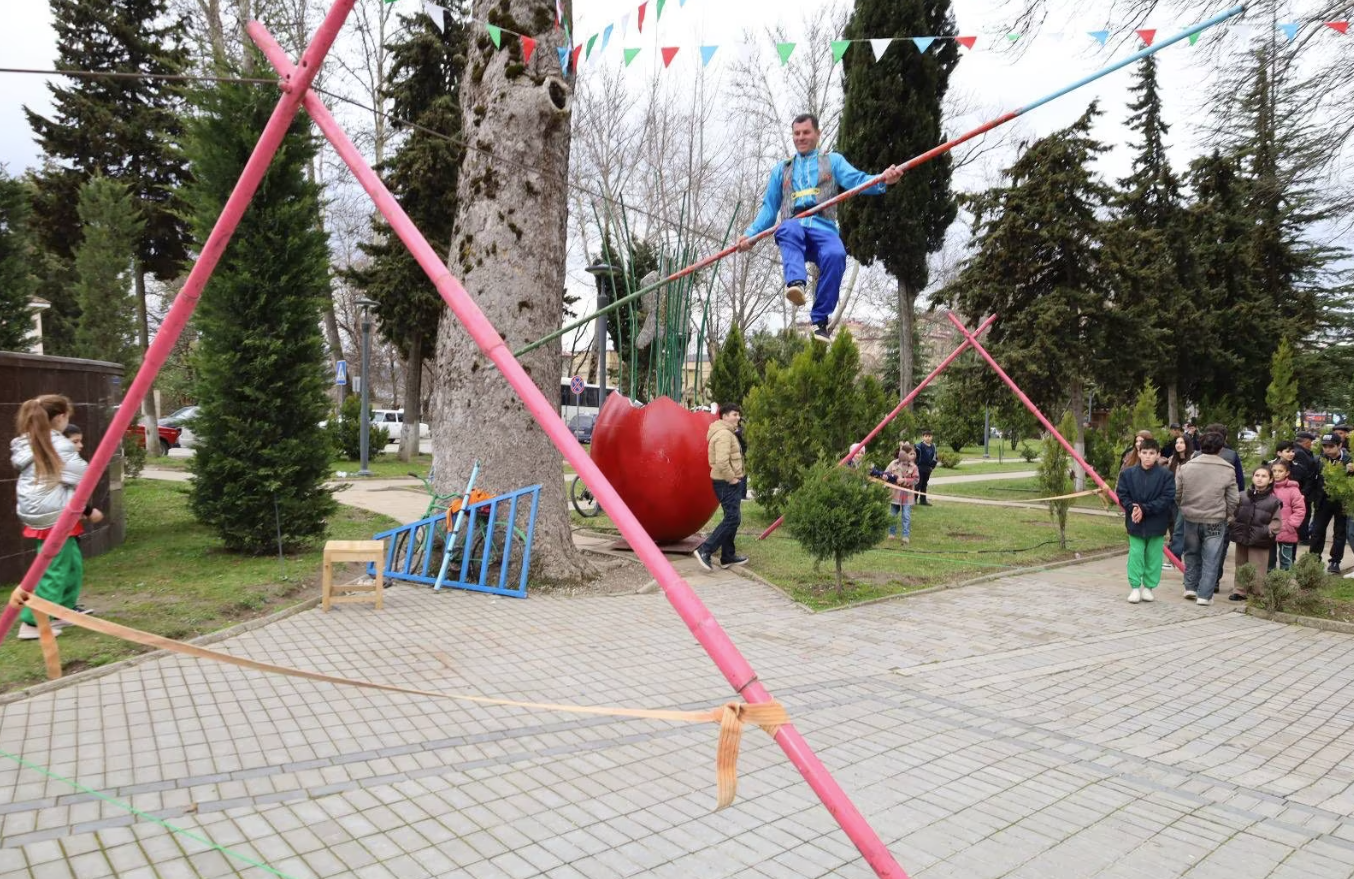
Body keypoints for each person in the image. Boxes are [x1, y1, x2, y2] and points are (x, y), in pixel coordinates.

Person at [736, 113, 905, 344]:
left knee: (836, 255)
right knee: (787, 230)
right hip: (794, 226)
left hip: (824, 228)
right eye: (797, 133)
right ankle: (796, 283)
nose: (801, 137)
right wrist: (750, 235)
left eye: (806, 132)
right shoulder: (781, 170)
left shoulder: (832, 162)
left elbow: (858, 181)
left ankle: (820, 320)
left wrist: (883, 180)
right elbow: (768, 210)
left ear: (817, 133)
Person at [11, 395, 102, 640]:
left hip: (43, 509)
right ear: (60, 417)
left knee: (71, 561)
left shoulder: (32, 441)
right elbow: (83, 476)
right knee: (55, 568)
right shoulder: (57, 444)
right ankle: (32, 622)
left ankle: (60, 609)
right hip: (54, 512)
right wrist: (88, 508)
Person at [1175, 431, 1239, 606]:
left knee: (1191, 552)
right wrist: (1226, 514)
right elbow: (1233, 498)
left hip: (1191, 516)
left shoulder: (1187, 467)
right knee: (1211, 557)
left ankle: (1190, 587)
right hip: (1215, 518)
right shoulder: (1227, 469)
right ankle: (1204, 595)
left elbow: (1178, 493)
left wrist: (1184, 507)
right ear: (1221, 448)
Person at [1116, 437, 1175, 604]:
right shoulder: (1128, 474)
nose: (1148, 456)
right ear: (1139, 453)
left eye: (1151, 453)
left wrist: (1145, 509)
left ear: (1158, 455)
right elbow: (1122, 494)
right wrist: (1133, 508)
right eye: (1144, 453)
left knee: (1153, 555)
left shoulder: (1166, 475)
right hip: (1135, 521)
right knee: (1136, 553)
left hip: (1157, 522)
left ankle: (1149, 587)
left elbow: (1167, 498)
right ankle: (1135, 587)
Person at [694, 404, 748, 571]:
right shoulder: (724, 435)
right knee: (733, 519)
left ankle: (727, 556)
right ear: (724, 416)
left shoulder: (728, 433)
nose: (738, 418)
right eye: (734, 414)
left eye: (738, 415)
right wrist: (732, 479)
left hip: (729, 482)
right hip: (726, 483)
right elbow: (722, 461)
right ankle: (705, 549)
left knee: (731, 518)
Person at [1226, 466, 1284, 602]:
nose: (1259, 478)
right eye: (1257, 475)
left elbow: (1276, 521)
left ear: (1270, 480)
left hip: (1260, 538)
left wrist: (1268, 531)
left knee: (1258, 566)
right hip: (1242, 534)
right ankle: (1240, 590)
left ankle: (1258, 593)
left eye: (1264, 476)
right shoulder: (1242, 496)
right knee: (1241, 564)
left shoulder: (1273, 501)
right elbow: (1232, 512)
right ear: (1252, 477)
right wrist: (1232, 523)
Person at [1308, 434, 1351, 573]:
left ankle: (1335, 561)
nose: (1327, 449)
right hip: (1323, 501)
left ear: (1339, 445)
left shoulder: (1349, 460)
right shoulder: (1319, 460)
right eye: (1324, 446)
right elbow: (1312, 480)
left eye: (1331, 446)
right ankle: (1314, 560)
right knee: (1316, 532)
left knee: (1339, 532)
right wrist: (1309, 497)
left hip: (1342, 501)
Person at [1270, 459, 1306, 571]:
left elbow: (1300, 509)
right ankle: (1269, 584)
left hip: (1287, 530)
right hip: (1269, 531)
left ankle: (1287, 584)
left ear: (1287, 473)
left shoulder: (1293, 490)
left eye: (1280, 471)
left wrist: (1290, 524)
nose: (1276, 473)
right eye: (1274, 470)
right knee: (1269, 561)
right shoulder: (1267, 489)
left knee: (1286, 560)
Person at [884, 442, 920, 543]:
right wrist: (888, 478)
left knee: (906, 516)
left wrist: (905, 480)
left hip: (907, 497)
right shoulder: (893, 464)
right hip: (895, 495)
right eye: (911, 454)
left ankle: (905, 535)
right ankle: (891, 533)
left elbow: (916, 480)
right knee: (892, 515)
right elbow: (886, 474)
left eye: (914, 454)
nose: (913, 456)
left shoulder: (914, 467)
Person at [1165, 435, 1194, 562]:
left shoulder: (1193, 459)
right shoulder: (1172, 459)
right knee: (1173, 526)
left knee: (1179, 528)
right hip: (1172, 496)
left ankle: (1175, 557)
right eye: (1177, 442)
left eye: (1182, 442)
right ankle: (1175, 552)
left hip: (1187, 499)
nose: (1178, 445)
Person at [1292, 431, 1320, 542]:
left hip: (1303, 490)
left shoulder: (1300, 451)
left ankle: (1301, 535)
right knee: (1304, 513)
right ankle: (1302, 536)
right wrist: (1303, 492)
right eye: (1310, 442)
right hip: (1303, 491)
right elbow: (1302, 474)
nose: (1311, 445)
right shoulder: (1300, 453)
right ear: (1306, 442)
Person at [914, 429, 937, 506]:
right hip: (919, 467)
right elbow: (914, 457)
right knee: (918, 484)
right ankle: (914, 500)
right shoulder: (918, 446)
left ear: (932, 437)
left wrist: (932, 467)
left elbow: (935, 457)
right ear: (923, 437)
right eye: (926, 436)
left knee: (924, 484)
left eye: (929, 436)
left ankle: (923, 500)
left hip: (928, 468)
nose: (928, 438)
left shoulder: (933, 447)